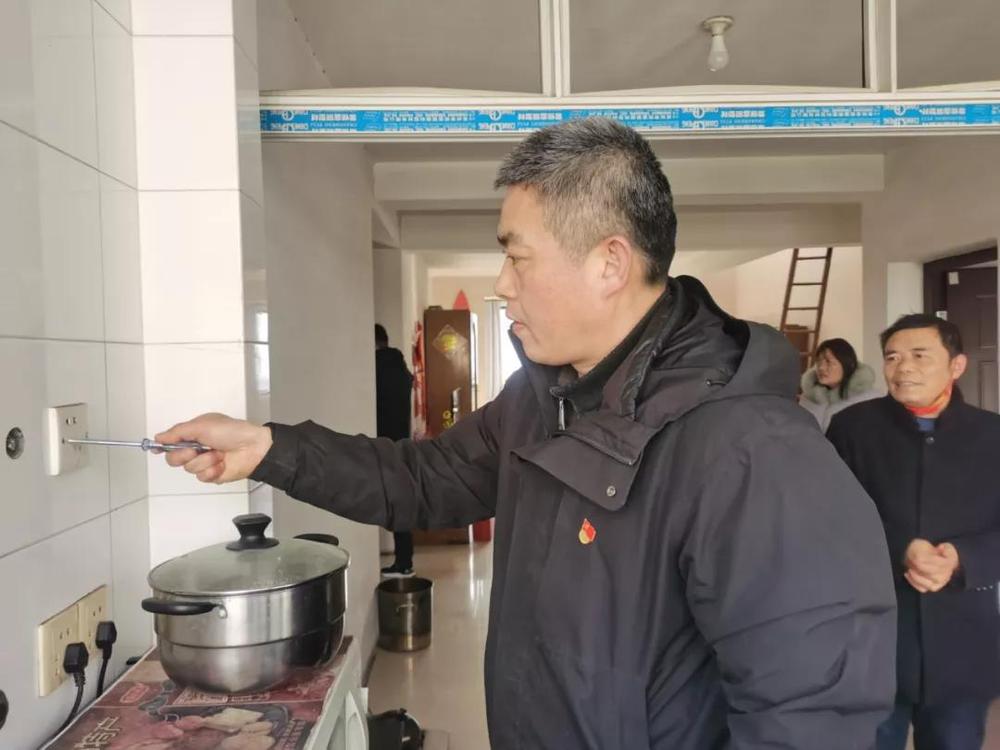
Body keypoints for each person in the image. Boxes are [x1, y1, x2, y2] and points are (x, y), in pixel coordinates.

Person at [155, 118, 896, 749]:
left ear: (610, 263)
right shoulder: (543, 400)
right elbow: (422, 480)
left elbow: (811, 717)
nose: (502, 283)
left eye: (517, 255)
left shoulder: (753, 451)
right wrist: (270, 448)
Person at [828, 313, 1000, 750]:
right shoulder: (852, 429)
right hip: (872, 639)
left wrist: (962, 558)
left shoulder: (992, 434)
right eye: (892, 357)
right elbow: (828, 518)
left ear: (956, 365)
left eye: (920, 355)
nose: (903, 368)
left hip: (963, 640)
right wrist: (900, 549)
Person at [375, 323, 416, 577]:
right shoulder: (400, 368)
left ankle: (403, 563)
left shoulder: (378, 369)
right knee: (400, 501)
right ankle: (404, 560)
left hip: (382, 445)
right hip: (400, 443)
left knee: (394, 504)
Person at [800, 337, 880, 431]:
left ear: (847, 364)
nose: (821, 367)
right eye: (818, 361)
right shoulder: (809, 397)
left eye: (828, 362)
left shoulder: (870, 399)